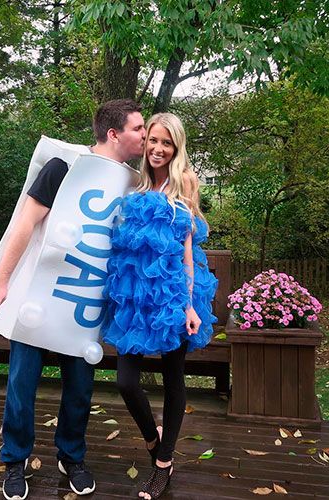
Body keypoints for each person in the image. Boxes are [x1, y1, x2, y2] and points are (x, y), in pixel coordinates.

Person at [0, 99, 146, 500]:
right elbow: (25, 223)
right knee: (22, 384)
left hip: (84, 302)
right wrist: (0, 281)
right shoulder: (62, 167)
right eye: (139, 128)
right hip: (39, 299)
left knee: (80, 387)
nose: (145, 135)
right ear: (114, 134)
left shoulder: (131, 183)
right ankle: (15, 460)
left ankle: (71, 455)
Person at [101, 113, 218, 499]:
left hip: (173, 295)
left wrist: (187, 305)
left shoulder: (184, 182)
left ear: (176, 147)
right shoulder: (134, 185)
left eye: (166, 143)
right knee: (125, 381)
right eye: (153, 140)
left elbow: (186, 252)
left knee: (173, 378)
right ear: (146, 141)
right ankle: (154, 440)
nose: (157, 148)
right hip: (137, 296)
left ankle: (163, 464)